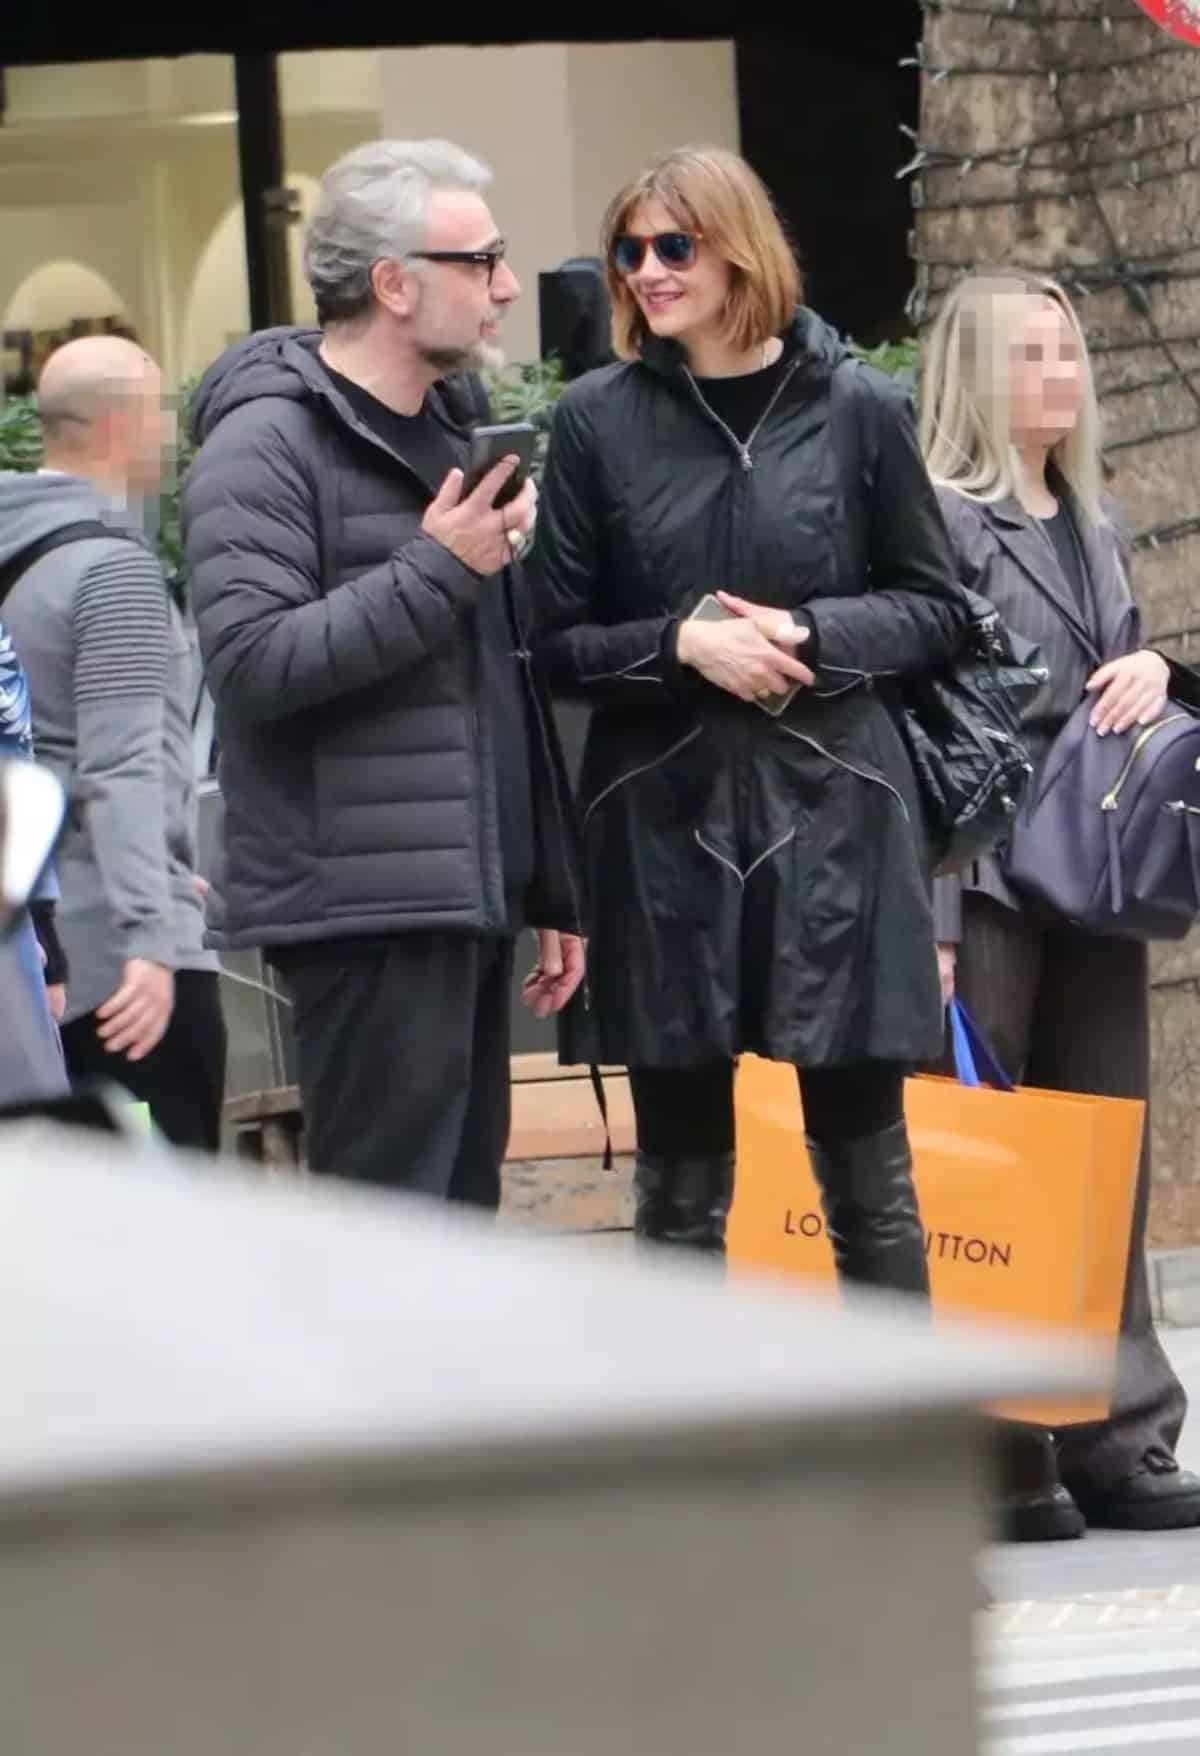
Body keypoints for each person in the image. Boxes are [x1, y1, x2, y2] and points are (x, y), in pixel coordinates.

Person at [531, 145, 968, 1274]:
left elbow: (936, 610)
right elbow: (552, 640)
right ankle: (694, 1397)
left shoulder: (857, 407)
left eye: (674, 246)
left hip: (838, 812)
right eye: (629, 251)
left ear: (739, 251)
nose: (648, 271)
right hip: (661, 822)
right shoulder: (595, 422)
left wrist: (810, 634)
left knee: (870, 1179)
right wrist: (681, 645)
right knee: (678, 1193)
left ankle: (893, 1393)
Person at [184, 139, 584, 1207]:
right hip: (359, 912)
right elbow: (252, 663)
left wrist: (542, 880)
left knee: (459, 1221)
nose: (507, 287)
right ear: (394, 285)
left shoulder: (455, 424)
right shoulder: (263, 443)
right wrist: (441, 566)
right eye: (481, 261)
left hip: (466, 899)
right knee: (386, 1239)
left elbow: (498, 680)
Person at [922, 270, 1200, 1537]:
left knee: (1102, 1148)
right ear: (974, 377)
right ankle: (1000, 1444)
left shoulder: (1095, 518)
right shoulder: (941, 519)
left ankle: (1121, 1434)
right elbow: (921, 720)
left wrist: (1155, 667)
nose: (1061, 374)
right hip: (981, 867)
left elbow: (1115, 684)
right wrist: (931, 916)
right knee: (989, 1160)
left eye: (1069, 351)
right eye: (1030, 353)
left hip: (1097, 868)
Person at [0, 336, 226, 1150]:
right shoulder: (110, 570)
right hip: (122, 971)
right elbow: (120, 766)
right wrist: (151, 933)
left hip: (32, 963)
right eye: (161, 414)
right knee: (160, 1204)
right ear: (119, 425)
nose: (170, 437)